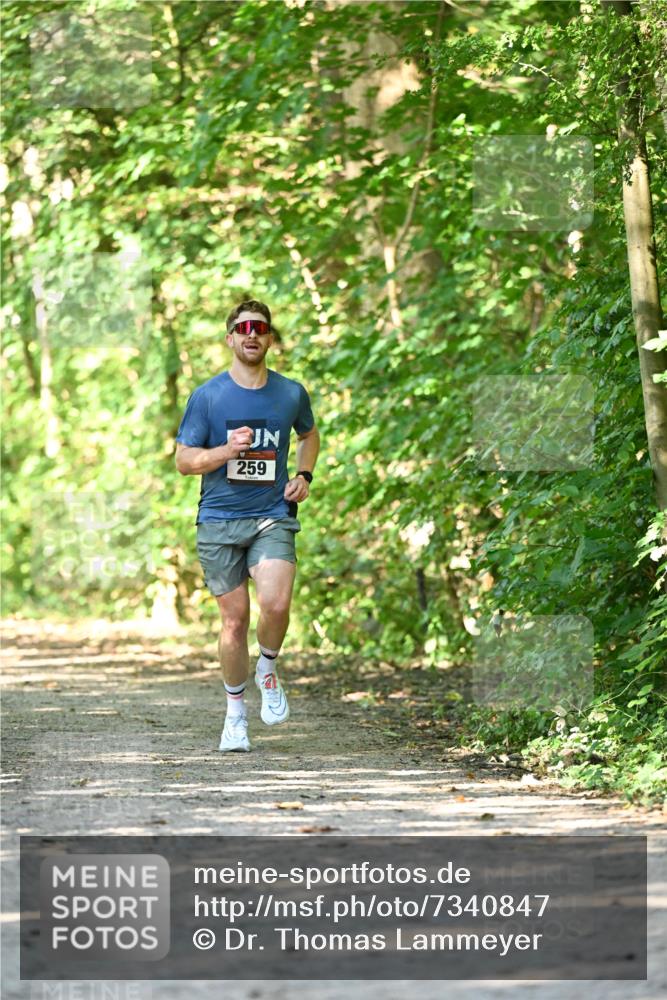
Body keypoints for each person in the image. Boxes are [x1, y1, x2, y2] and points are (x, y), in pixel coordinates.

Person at [175, 299, 320, 752]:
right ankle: (235, 714)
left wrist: (304, 476)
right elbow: (183, 461)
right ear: (230, 339)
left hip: (271, 515)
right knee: (234, 622)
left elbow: (308, 435)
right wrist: (224, 452)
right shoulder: (208, 396)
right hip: (218, 521)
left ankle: (269, 667)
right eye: (243, 328)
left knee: (276, 604)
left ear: (270, 339)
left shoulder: (290, 392)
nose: (252, 334)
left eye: (260, 328)